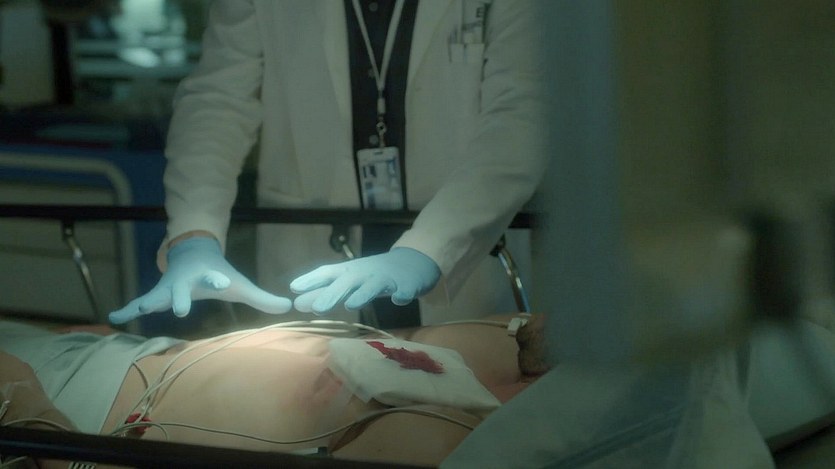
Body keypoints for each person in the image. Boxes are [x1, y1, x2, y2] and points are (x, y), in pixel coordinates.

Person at [108, 0, 549, 328]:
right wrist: (195, 233)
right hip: (310, 256)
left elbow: (521, 119)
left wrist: (431, 250)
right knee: (313, 403)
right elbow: (218, 100)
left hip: (462, 259)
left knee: (462, 402)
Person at [0, 312, 543, 468]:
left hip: (69, 421)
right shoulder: (530, 351)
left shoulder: (437, 445)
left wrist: (30, 410)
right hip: (126, 355)